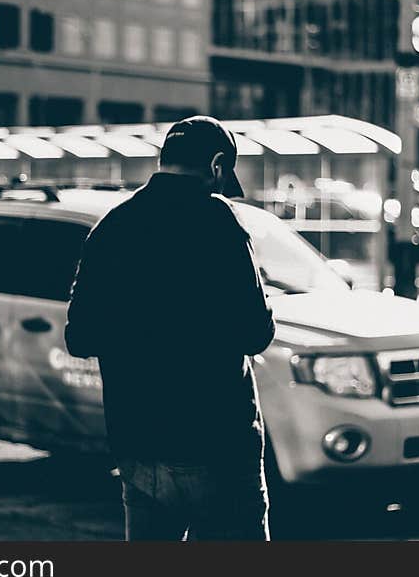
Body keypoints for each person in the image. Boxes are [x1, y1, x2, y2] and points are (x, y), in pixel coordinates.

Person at [65, 116, 276, 541]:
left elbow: (79, 336)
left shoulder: (112, 228)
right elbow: (256, 333)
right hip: (216, 445)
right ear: (217, 166)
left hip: (138, 445)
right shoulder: (220, 225)